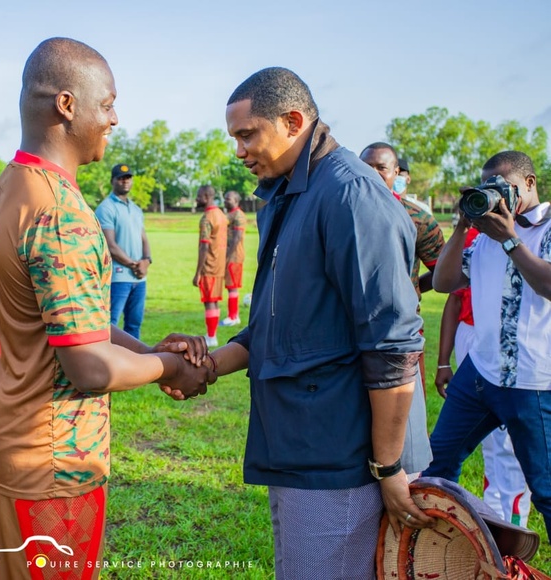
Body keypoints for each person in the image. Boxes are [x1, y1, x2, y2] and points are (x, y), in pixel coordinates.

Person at [171, 66, 433, 578]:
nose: (240, 150)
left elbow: (393, 347)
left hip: (344, 459)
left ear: (293, 121)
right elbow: (278, 325)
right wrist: (205, 364)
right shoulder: (289, 192)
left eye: (248, 135)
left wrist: (389, 466)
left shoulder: (350, 195)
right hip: (300, 442)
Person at [0, 37, 210, 580]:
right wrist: (169, 367)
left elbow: (69, 321)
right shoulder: (61, 214)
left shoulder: (12, 185)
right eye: (108, 104)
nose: (115, 118)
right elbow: (89, 366)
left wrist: (146, 350)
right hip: (49, 454)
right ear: (67, 105)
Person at [426, 150, 551, 542]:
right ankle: (442, 550)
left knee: (546, 489)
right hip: (479, 374)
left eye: (505, 188)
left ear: (529, 184)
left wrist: (511, 239)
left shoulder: (544, 230)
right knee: (436, 465)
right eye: (488, 190)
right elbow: (444, 283)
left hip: (531, 383)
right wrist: (464, 226)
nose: (497, 198)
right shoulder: (484, 235)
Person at [435, 223, 532, 527]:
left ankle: (515, 524)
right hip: (474, 341)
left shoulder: (533, 235)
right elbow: (450, 293)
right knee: (487, 444)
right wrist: (442, 362)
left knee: (510, 447)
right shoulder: (475, 237)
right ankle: (492, 522)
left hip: (515, 350)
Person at [359, 142, 445, 478]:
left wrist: (411, 290)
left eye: (381, 167)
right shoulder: (343, 210)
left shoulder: (416, 217)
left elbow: (443, 270)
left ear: (397, 174)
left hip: (400, 333)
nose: (373, 173)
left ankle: (405, 476)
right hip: (351, 329)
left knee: (405, 414)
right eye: (366, 166)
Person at [94, 163, 151, 339]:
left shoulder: (135, 209)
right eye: (120, 178)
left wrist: (147, 261)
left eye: (128, 178)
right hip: (118, 277)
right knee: (110, 324)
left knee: (134, 324)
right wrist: (135, 265)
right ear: (113, 181)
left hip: (139, 278)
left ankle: (133, 362)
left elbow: (144, 238)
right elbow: (110, 245)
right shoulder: (106, 208)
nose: (125, 181)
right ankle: (108, 363)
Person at [193, 185, 228, 347]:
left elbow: (204, 246)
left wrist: (198, 273)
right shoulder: (221, 215)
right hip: (220, 265)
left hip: (209, 266)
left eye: (199, 196)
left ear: (206, 197)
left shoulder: (207, 218)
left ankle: (211, 336)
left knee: (209, 301)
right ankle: (212, 334)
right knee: (214, 301)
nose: (196, 199)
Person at [222, 190, 246, 326]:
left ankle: (233, 316)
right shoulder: (229, 214)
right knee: (230, 285)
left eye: (228, 199)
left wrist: (228, 256)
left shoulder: (238, 216)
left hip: (234, 256)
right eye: (225, 198)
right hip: (228, 255)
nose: (226, 201)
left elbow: (236, 238)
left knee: (233, 286)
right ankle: (233, 315)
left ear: (236, 201)